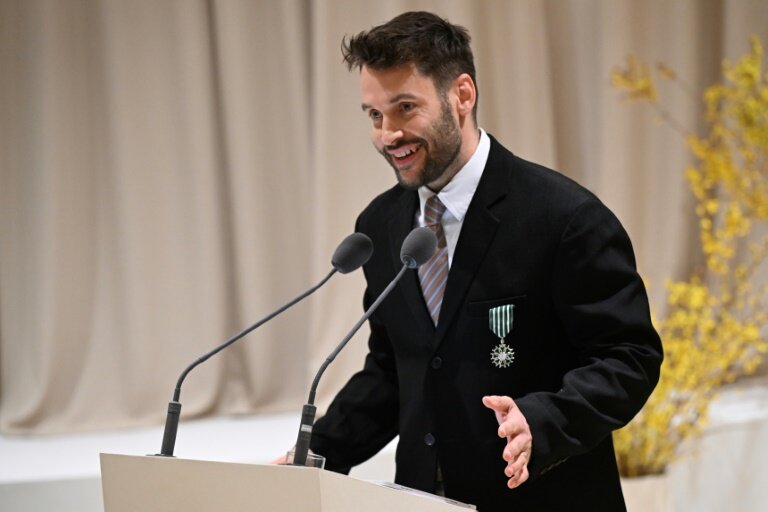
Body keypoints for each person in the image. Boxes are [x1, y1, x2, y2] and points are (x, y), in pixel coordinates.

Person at [307, 11, 663, 511]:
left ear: (463, 95)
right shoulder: (381, 226)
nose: (388, 135)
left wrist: (543, 421)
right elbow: (396, 369)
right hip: (422, 500)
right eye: (374, 115)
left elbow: (629, 358)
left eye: (405, 108)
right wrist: (317, 453)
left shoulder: (563, 217)